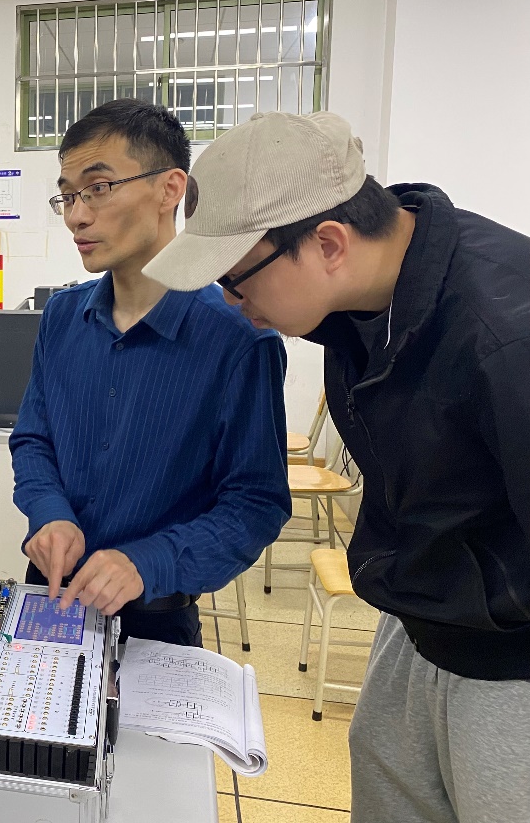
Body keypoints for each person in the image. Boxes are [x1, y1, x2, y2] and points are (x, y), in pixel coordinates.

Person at [143, 110, 530, 822]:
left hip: (511, 664)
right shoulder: (357, 304)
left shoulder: (504, 331)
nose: (232, 304)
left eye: (236, 280)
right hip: (417, 618)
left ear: (327, 243)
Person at [11, 99, 291, 646]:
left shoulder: (238, 338)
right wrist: (48, 513)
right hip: (50, 593)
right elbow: (33, 439)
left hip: (156, 615)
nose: (77, 216)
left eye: (98, 188)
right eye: (68, 195)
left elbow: (255, 504)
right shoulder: (63, 318)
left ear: (170, 189)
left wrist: (147, 561)